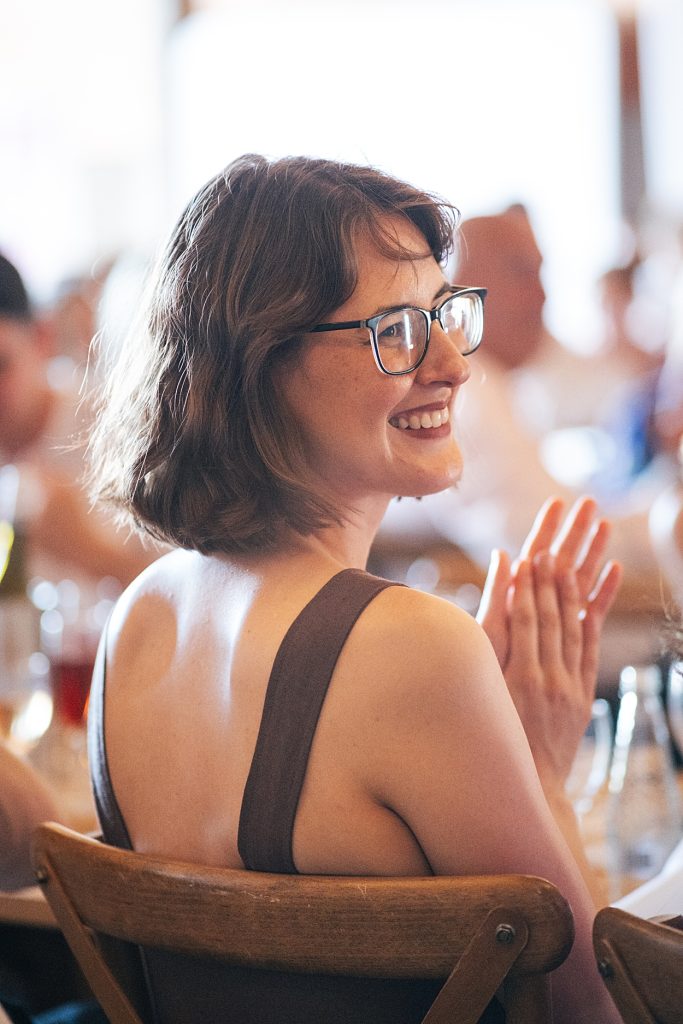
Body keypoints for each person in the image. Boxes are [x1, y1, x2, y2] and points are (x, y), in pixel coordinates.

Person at [87, 154, 622, 1023]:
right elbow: (590, 1007)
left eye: (446, 315)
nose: (451, 364)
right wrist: (543, 776)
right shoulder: (411, 648)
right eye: (397, 330)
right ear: (261, 362)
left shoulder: (139, 618)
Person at [0, 253, 155, 597]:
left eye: (1, 366)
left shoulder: (119, 423)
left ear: (41, 338)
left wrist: (94, 555)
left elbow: (197, 596)